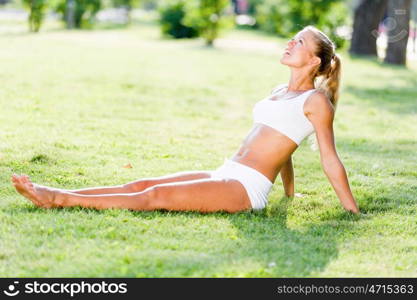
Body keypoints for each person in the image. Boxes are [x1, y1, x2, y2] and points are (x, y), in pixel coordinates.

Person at [11, 25, 360, 214]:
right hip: (226, 171)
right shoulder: (278, 91)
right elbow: (286, 149)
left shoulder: (315, 101)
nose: (289, 43)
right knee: (140, 184)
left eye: (299, 42)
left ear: (314, 61)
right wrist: (289, 193)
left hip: (246, 188)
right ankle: (61, 193)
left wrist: (352, 212)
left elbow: (329, 159)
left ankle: (56, 197)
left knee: (156, 195)